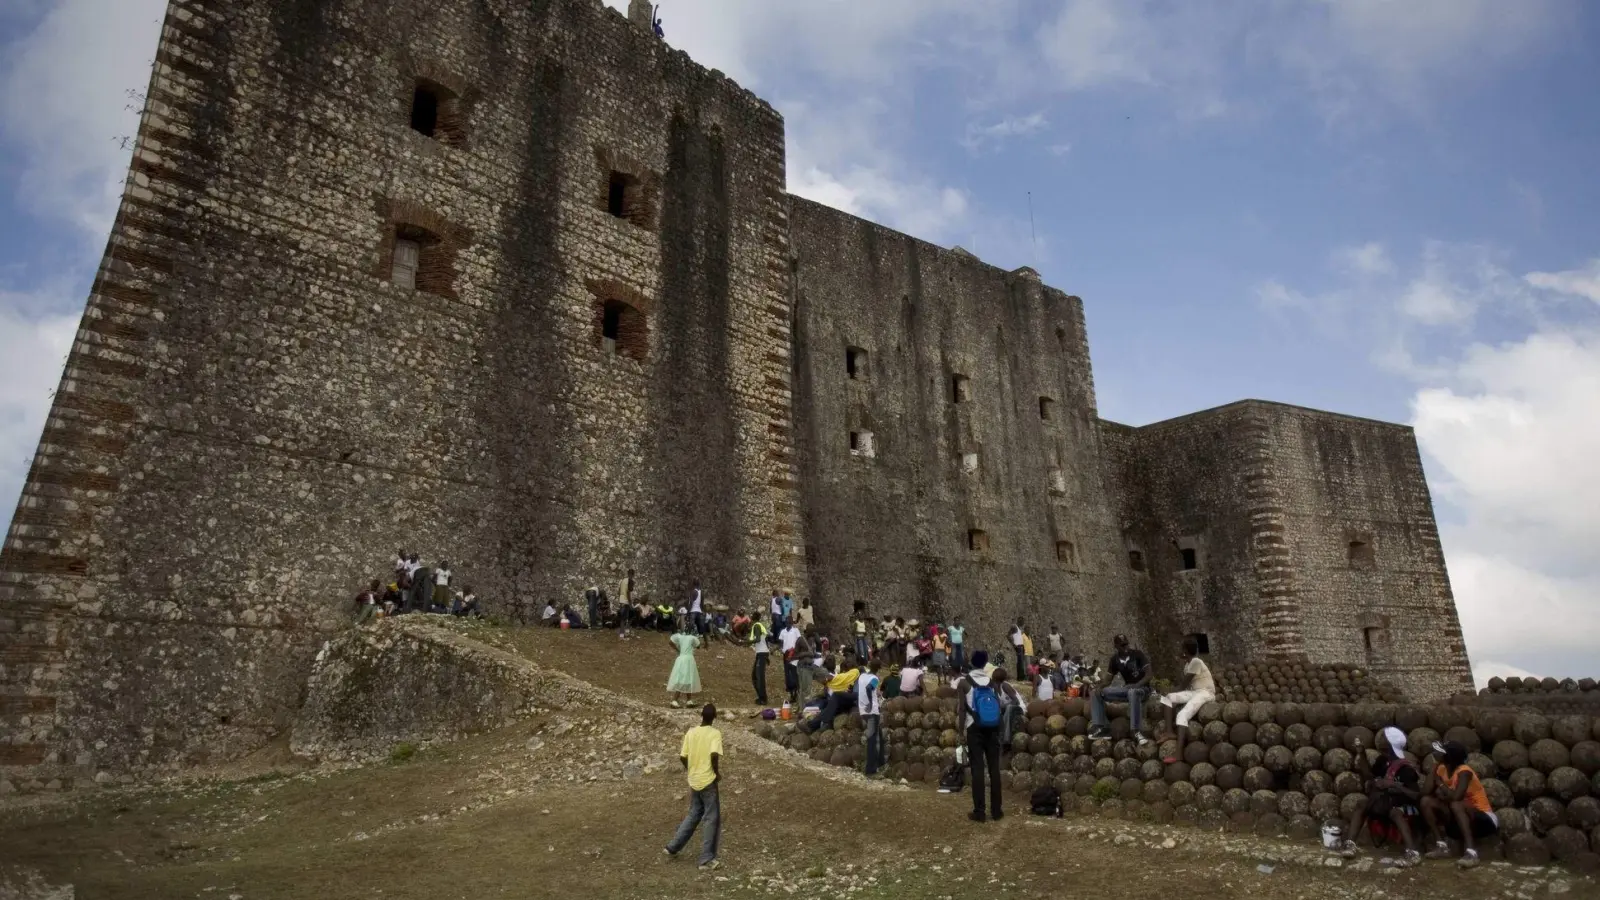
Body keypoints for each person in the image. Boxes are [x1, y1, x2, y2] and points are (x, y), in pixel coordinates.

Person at [1337, 726, 1423, 866]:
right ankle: (1350, 844)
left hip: (1402, 804)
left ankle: (1412, 853)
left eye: (1384, 739)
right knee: (1361, 805)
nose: (1380, 740)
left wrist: (1394, 785)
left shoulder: (1406, 769)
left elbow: (1415, 795)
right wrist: (1362, 754)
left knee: (1396, 813)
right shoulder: (1382, 761)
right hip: (1384, 801)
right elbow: (1369, 776)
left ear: (1390, 744)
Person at [956, 650, 1020, 823]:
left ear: (971, 663)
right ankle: (997, 811)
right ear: (985, 664)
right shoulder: (991, 682)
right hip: (992, 728)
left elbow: (961, 710)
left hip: (973, 727)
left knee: (977, 769)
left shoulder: (964, 683)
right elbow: (998, 705)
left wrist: (961, 731)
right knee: (994, 769)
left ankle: (979, 812)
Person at [1421, 739, 1497, 868]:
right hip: (1459, 818)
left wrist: (1440, 783)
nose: (1437, 754)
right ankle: (1441, 846)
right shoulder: (1441, 768)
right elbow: (1425, 791)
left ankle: (1471, 853)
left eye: (1442, 753)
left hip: (1484, 819)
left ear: (1449, 758)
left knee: (1456, 804)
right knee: (1426, 801)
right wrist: (1434, 769)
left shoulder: (1464, 771)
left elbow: (1457, 797)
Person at [664, 703, 722, 871]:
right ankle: (706, 859)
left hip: (694, 779)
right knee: (711, 818)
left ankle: (672, 847)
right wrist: (716, 773)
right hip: (708, 781)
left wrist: (691, 768)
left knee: (694, 814)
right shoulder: (714, 733)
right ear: (715, 717)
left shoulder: (691, 732)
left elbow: (683, 756)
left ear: (701, 716)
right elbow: (714, 755)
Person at [1158, 636, 1215, 763]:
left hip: (1206, 692)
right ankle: (1169, 732)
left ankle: (1178, 755)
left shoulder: (1196, 661)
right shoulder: (1189, 664)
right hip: (1195, 692)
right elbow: (1185, 686)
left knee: (1182, 715)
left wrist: (1168, 689)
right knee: (1168, 698)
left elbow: (1182, 685)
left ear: (1184, 650)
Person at [1087, 634, 1152, 745]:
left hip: (1142, 689)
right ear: (1116, 646)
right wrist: (1099, 687)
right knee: (1096, 693)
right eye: (1122, 645)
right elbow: (1108, 680)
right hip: (1127, 690)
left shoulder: (1137, 654)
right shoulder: (1115, 659)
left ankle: (1136, 731)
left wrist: (1137, 685)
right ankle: (1102, 728)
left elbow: (1149, 675)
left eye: (1126, 644)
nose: (1125, 647)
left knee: (1132, 692)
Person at [667, 621, 702, 708]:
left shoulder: (679, 636)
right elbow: (698, 645)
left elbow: (670, 642)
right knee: (686, 679)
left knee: (686, 678)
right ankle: (674, 700)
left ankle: (689, 700)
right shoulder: (692, 638)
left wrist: (678, 649)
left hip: (681, 658)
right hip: (688, 659)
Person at [858, 660, 885, 776]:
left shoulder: (862, 676)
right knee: (872, 740)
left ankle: (880, 762)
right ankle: (870, 769)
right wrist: (870, 702)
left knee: (878, 736)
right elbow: (869, 688)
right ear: (878, 669)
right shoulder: (874, 679)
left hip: (862, 711)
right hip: (872, 712)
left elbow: (860, 669)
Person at [748, 611, 771, 705]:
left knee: (758, 677)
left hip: (761, 653)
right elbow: (764, 640)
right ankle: (761, 697)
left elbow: (757, 639)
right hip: (761, 653)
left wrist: (747, 642)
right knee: (755, 676)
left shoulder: (757, 625)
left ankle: (763, 699)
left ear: (753, 617)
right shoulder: (760, 625)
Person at [778, 618, 803, 703]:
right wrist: (783, 650)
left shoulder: (796, 630)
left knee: (794, 674)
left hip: (794, 654)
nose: (788, 623)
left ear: (792, 623)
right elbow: (781, 643)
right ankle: (792, 694)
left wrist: (796, 651)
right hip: (786, 654)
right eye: (787, 622)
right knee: (788, 674)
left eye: (790, 622)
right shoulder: (783, 632)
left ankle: (796, 693)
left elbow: (799, 641)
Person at [618, 568, 636, 638]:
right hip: (626, 601)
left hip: (621, 600)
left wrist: (620, 600)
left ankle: (622, 634)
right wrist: (630, 603)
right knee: (632, 615)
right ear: (633, 574)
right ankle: (627, 630)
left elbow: (618, 592)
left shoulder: (621, 581)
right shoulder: (630, 581)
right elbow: (628, 592)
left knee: (623, 617)